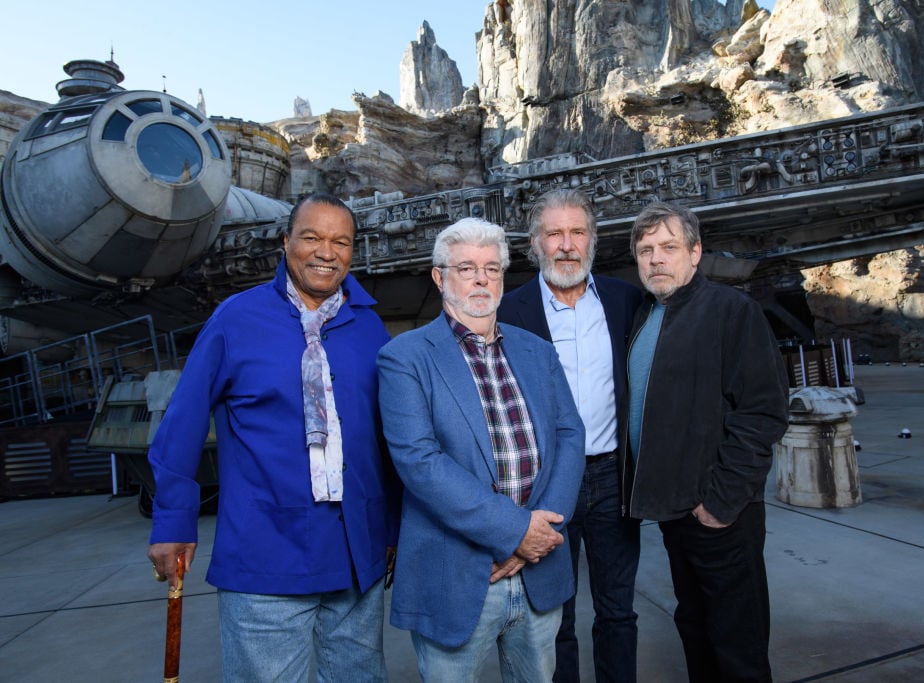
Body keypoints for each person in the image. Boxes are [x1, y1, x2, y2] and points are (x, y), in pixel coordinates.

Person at [147, 193, 401, 682]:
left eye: (340, 241)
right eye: (311, 237)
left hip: (356, 557)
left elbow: (389, 437)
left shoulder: (368, 327)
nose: (326, 252)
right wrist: (174, 522)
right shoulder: (236, 320)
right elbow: (183, 421)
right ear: (285, 242)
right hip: (265, 552)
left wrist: (390, 528)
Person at [377, 217, 586, 682]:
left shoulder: (537, 352)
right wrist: (515, 531)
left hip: (539, 569)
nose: (480, 279)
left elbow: (571, 435)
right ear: (439, 276)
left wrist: (541, 531)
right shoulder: (404, 357)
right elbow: (419, 461)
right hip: (456, 573)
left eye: (491, 269)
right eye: (466, 267)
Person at [625, 202, 789, 682]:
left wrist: (719, 502)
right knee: (695, 630)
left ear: (695, 254)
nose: (656, 259)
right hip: (676, 513)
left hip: (720, 513)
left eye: (669, 247)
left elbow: (762, 411)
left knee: (737, 646)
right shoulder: (646, 316)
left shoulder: (731, 311)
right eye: (646, 250)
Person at [497, 188, 643, 683]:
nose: (566, 245)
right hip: (546, 486)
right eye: (553, 234)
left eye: (577, 232)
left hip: (612, 481)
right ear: (534, 245)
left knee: (617, 611)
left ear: (593, 241)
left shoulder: (627, 302)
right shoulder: (508, 312)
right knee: (553, 618)